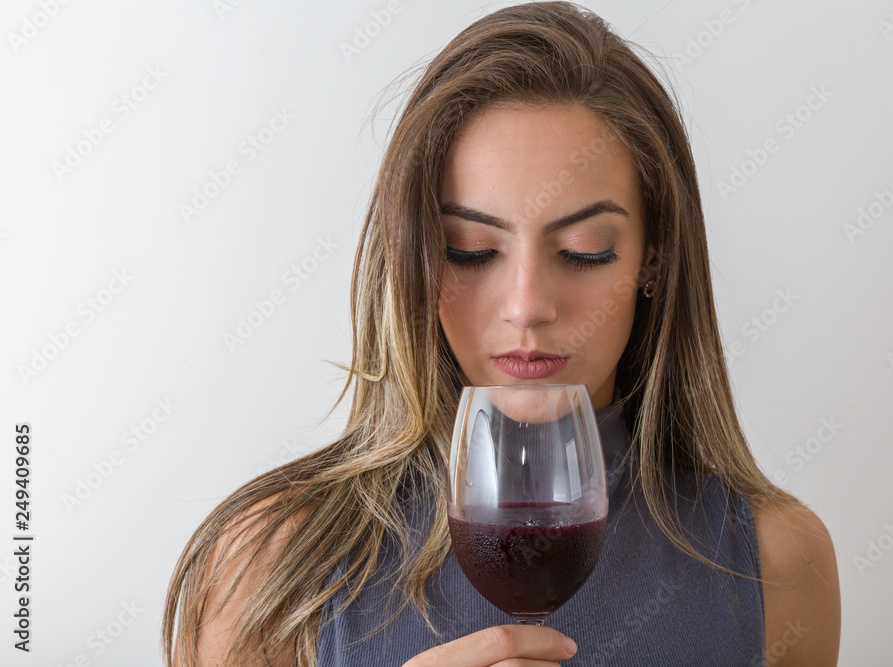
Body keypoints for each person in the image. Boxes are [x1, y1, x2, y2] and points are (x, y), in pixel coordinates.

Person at [160, 2, 841, 665]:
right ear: (417, 260)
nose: (526, 306)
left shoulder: (778, 566)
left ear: (654, 259)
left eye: (583, 251)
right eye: (470, 250)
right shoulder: (269, 569)